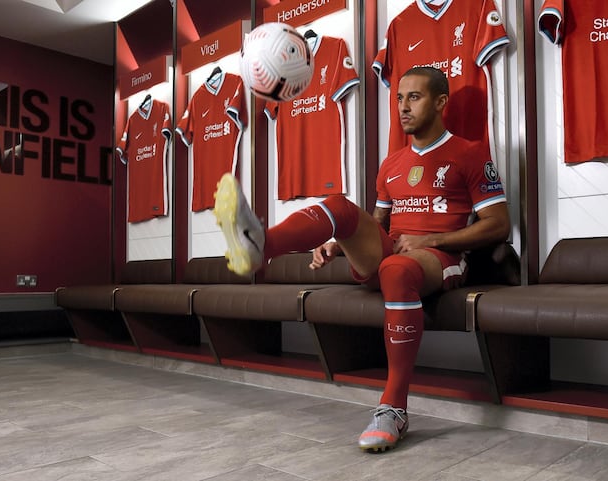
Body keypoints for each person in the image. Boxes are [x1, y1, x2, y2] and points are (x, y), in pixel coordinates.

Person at [213, 66, 511, 452]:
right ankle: (261, 246)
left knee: (397, 268)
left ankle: (393, 409)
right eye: (400, 98)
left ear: (440, 102)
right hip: (391, 255)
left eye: (414, 98)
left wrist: (434, 237)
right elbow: (377, 225)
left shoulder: (471, 154)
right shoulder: (391, 165)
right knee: (341, 207)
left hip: (442, 258)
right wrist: (340, 244)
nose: (403, 107)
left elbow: (499, 224)